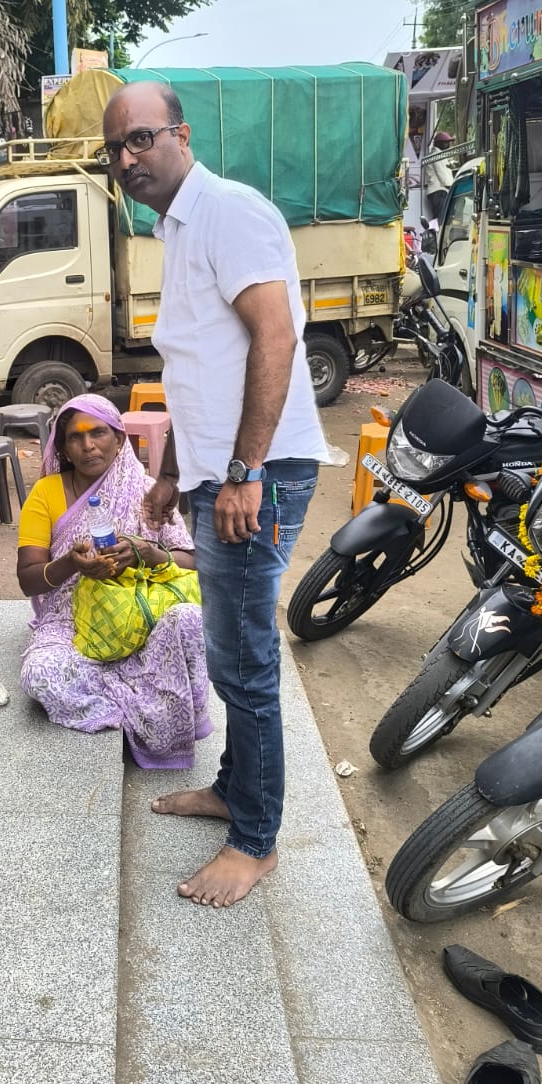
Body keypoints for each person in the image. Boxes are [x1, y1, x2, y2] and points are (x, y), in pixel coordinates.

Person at [99, 82, 324, 907]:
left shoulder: (228, 212)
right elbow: (197, 365)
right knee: (232, 653)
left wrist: (241, 473)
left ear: (181, 136)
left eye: (140, 140)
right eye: (115, 149)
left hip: (255, 473)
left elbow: (275, 334)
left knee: (246, 663)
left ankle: (255, 841)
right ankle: (235, 789)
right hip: (216, 471)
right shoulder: (177, 227)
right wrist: (169, 474)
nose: (127, 159)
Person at [16, 395, 210, 768]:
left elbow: (193, 560)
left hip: (143, 611)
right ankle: (144, 706)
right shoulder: (46, 493)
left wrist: (150, 554)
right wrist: (70, 565)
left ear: (120, 439)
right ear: (65, 449)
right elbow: (28, 579)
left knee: (189, 619)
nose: (88, 445)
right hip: (72, 619)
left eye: (99, 433)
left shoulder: (148, 489)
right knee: (39, 675)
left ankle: (145, 695)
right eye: (75, 437)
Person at [424, 131, 456, 225]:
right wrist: (452, 186)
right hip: (439, 191)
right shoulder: (436, 155)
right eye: (446, 142)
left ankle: (434, 236)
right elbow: (442, 175)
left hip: (436, 191)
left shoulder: (438, 155)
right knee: (442, 220)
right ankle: (436, 238)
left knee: (439, 218)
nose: (448, 145)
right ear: (438, 143)